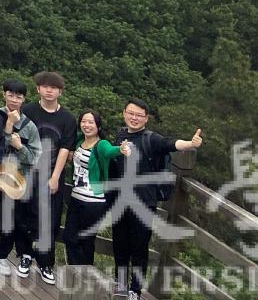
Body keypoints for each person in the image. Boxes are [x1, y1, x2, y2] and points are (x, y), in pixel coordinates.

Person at [111, 99, 203, 299]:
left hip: (143, 202)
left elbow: (171, 144)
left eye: (139, 115)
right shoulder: (120, 135)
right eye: (131, 113)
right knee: (119, 244)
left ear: (146, 118)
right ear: (124, 113)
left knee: (139, 247)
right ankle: (120, 283)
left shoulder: (151, 139)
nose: (134, 118)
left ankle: (135, 289)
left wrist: (190, 143)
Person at [17, 71, 76, 286]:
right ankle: (25, 255)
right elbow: (20, 140)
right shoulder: (28, 110)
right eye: (45, 86)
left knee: (49, 219)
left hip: (51, 174)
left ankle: (45, 262)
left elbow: (65, 149)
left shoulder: (68, 118)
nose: (49, 90)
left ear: (60, 91)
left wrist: (55, 177)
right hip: (27, 172)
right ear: (38, 89)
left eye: (54, 87)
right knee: (24, 214)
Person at [0, 80, 41, 277]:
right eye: (11, 95)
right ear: (4, 94)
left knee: (9, 219)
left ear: (24, 99)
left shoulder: (29, 127)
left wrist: (20, 147)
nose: (14, 99)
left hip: (15, 178)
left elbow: (35, 158)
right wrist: (8, 129)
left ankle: (1, 256)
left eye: (19, 96)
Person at [63, 110, 128, 271]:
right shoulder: (79, 141)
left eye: (91, 122)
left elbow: (111, 151)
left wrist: (121, 149)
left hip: (94, 202)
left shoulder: (101, 144)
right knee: (69, 237)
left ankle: (84, 275)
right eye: (84, 121)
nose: (87, 125)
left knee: (86, 240)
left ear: (98, 126)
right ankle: (76, 271)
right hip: (76, 197)